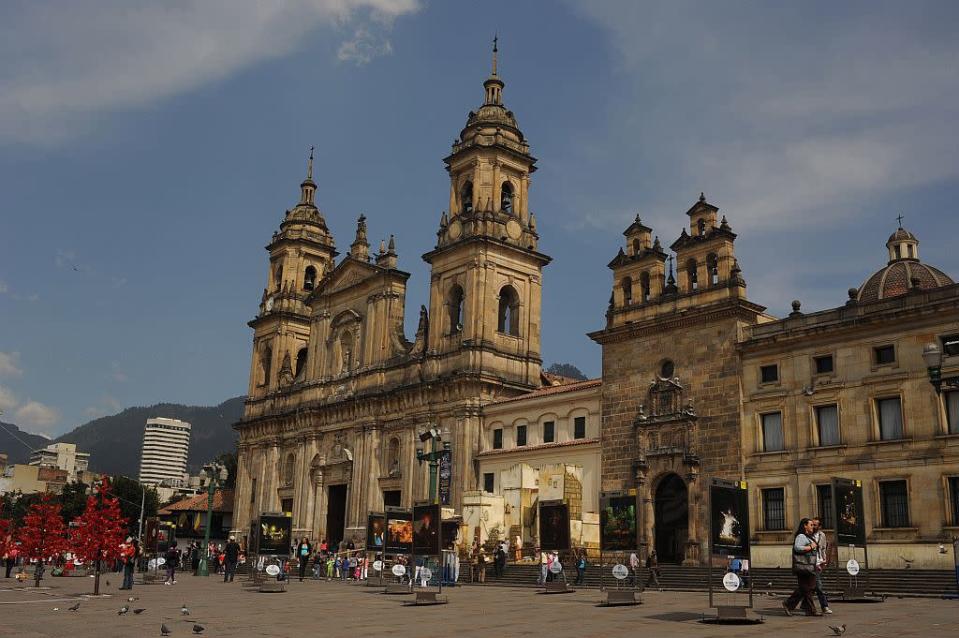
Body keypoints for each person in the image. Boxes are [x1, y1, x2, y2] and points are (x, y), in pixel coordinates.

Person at [783, 518, 821, 617]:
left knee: (808, 588)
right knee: (807, 588)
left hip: (809, 566)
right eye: (811, 525)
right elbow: (797, 547)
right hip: (803, 566)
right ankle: (810, 610)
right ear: (805, 526)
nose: (813, 527)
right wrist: (811, 547)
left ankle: (790, 604)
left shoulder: (808, 537)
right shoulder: (801, 536)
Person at [811, 517, 832, 614]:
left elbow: (823, 549)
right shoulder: (806, 535)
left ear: (819, 526)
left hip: (819, 562)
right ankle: (824, 606)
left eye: (815, 525)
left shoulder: (822, 535)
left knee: (810, 586)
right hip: (811, 564)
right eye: (812, 524)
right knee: (819, 586)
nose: (813, 526)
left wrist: (824, 561)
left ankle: (803, 604)